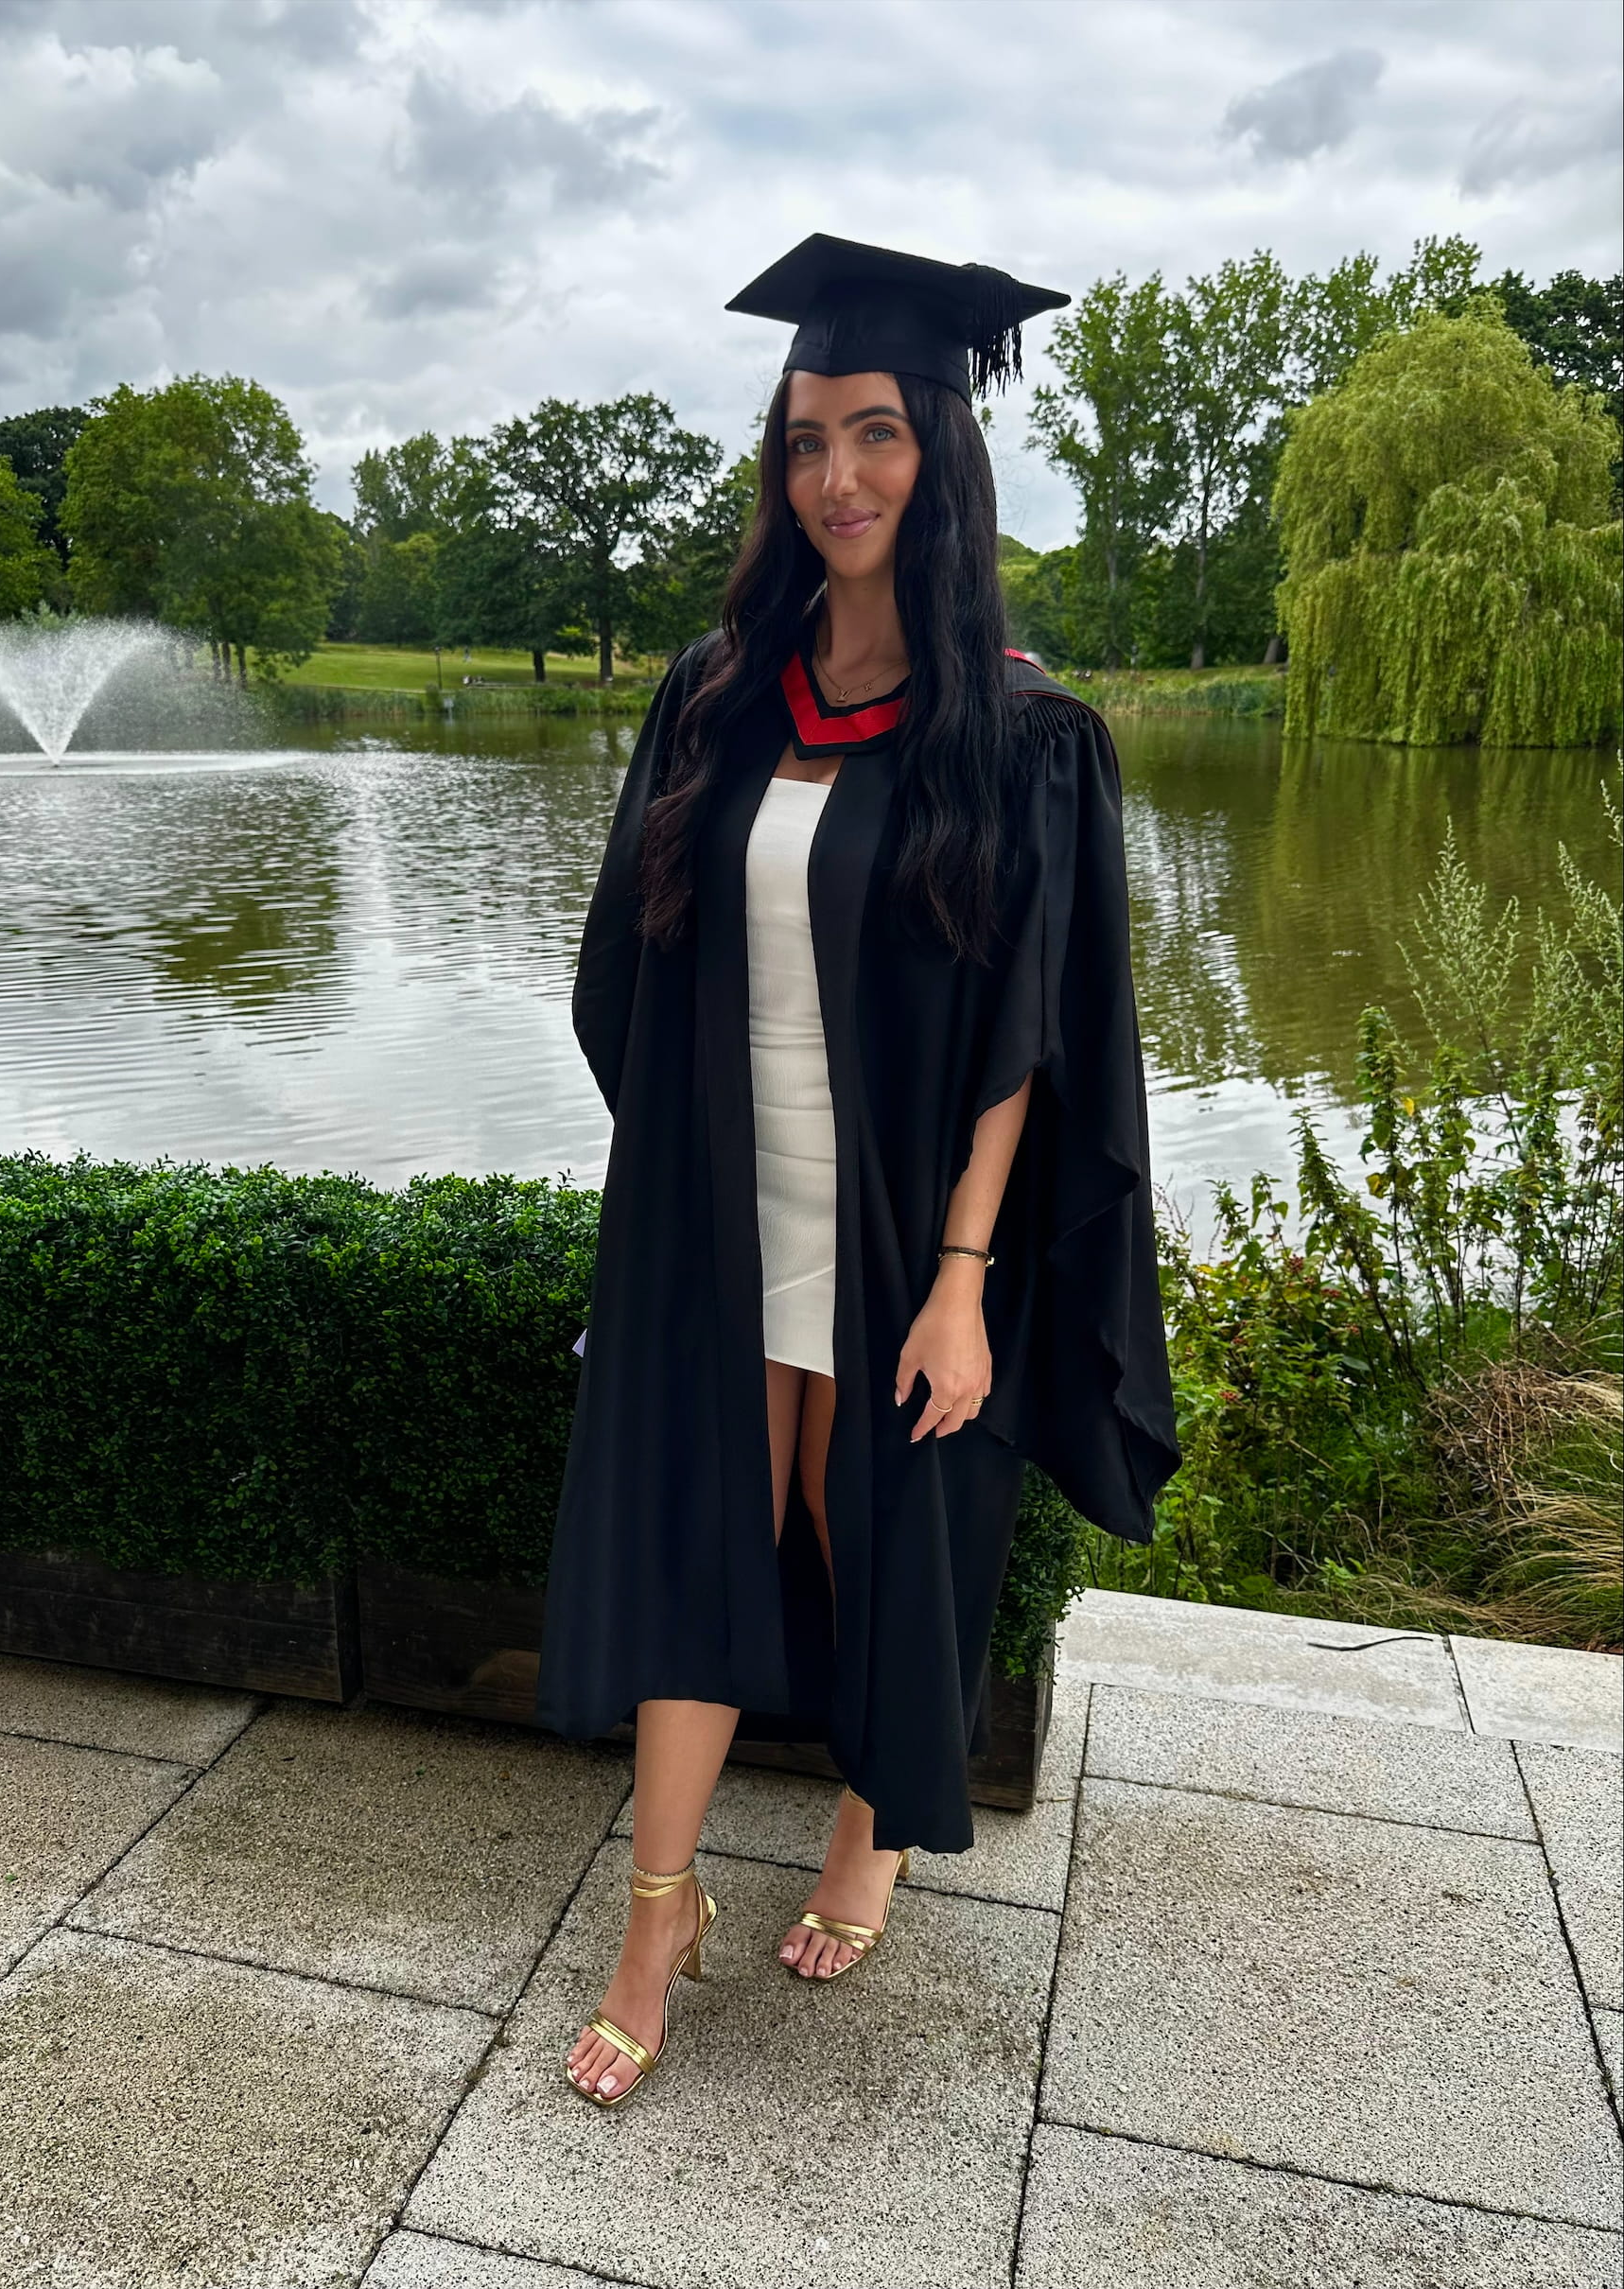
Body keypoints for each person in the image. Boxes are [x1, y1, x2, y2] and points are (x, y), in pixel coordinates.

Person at [538, 235, 1180, 2108]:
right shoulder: (718, 692)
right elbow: (625, 968)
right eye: (808, 437)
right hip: (729, 1216)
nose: (836, 476)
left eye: (874, 433)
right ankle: (655, 1915)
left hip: (900, 1226)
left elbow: (1026, 1032)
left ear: (937, 455)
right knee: (700, 1546)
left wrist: (967, 1278)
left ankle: (866, 1832)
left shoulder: (1017, 732)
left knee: (859, 1534)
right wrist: (663, 1224)